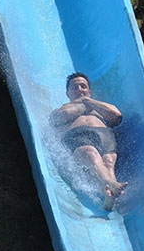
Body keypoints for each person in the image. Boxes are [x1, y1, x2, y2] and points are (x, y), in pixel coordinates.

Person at [50, 72, 127, 210]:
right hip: (78, 134)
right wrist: (84, 103)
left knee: (108, 162)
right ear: (68, 93)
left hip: (104, 135)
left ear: (89, 91)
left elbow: (116, 115)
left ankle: (109, 194)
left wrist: (89, 102)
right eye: (74, 87)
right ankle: (111, 183)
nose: (79, 89)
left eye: (83, 86)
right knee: (91, 154)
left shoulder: (98, 105)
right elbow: (60, 117)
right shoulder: (63, 107)